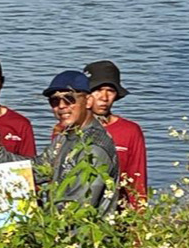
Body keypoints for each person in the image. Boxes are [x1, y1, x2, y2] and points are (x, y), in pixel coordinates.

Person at [36, 69, 119, 217]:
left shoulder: (94, 147)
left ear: (88, 101)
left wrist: (39, 224)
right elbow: (38, 169)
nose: (61, 106)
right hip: (61, 231)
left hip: (86, 236)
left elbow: (80, 206)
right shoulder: (67, 136)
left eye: (69, 99)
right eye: (54, 101)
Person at [84, 58, 148, 206]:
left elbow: (138, 179)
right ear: (86, 94)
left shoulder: (130, 131)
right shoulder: (67, 129)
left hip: (118, 212)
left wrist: (139, 220)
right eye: (98, 90)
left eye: (110, 91)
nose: (104, 98)